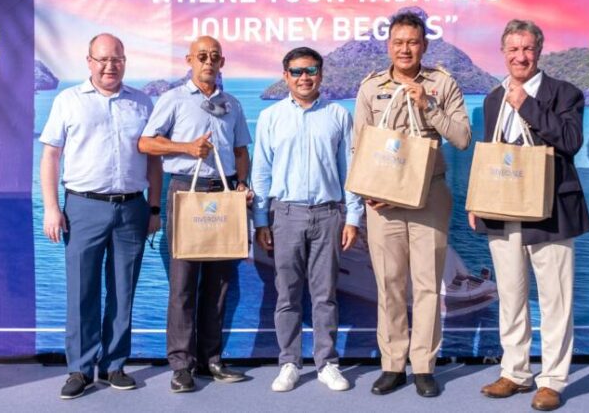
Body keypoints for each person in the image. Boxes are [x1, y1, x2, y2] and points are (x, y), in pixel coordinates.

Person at [469, 19, 589, 411]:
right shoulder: (492, 99)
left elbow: (570, 141)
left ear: (539, 51)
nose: (520, 57)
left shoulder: (565, 93)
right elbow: (492, 155)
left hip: (552, 211)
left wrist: (528, 105)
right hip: (502, 210)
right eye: (513, 49)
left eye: (527, 49)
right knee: (510, 296)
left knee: (556, 300)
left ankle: (552, 380)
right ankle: (515, 372)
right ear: (503, 53)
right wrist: (476, 200)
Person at [354, 11, 471, 398]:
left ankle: (423, 365)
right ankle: (392, 364)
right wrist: (366, 190)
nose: (405, 49)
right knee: (389, 284)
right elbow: (359, 144)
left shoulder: (442, 83)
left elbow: (462, 139)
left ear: (424, 45)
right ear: (389, 45)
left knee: (426, 285)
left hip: (429, 196)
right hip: (382, 201)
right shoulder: (371, 87)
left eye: (413, 42)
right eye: (398, 42)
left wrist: (429, 107)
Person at [40, 33, 162, 400]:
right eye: (103, 59)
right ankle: (80, 368)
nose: (111, 66)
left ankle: (114, 365)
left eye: (117, 59)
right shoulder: (68, 101)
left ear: (125, 61)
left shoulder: (142, 102)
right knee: (82, 292)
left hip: (132, 208)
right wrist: (51, 208)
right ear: (89, 61)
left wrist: (154, 208)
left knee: (123, 291)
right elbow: (50, 156)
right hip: (83, 208)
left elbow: (153, 159)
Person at [138, 36, 252, 393]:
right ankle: (181, 365)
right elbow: (146, 142)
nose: (208, 61)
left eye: (214, 56)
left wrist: (243, 184)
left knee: (219, 283)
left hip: (223, 192)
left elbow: (240, 150)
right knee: (184, 283)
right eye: (201, 56)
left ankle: (210, 359)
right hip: (186, 190)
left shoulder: (232, 104)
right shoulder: (173, 99)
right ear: (189, 60)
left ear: (222, 63)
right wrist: (186, 148)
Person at [252, 47, 364, 393]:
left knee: (325, 295)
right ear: (285, 76)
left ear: (320, 74)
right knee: (287, 294)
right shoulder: (270, 117)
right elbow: (261, 172)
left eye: (311, 70)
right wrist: (261, 221)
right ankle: (289, 362)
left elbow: (350, 172)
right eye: (297, 71)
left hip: (328, 215)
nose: (304, 77)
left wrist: (353, 217)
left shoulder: (338, 115)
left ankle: (327, 363)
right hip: (285, 215)